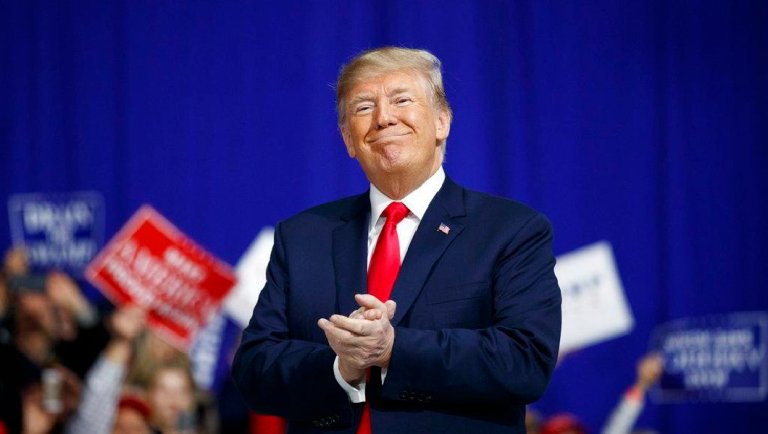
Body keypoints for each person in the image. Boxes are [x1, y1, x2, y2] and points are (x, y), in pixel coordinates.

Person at [232, 46, 562, 434]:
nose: (384, 118)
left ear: (442, 121)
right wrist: (342, 367)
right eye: (363, 107)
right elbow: (254, 369)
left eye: (401, 100)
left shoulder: (511, 229)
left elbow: (525, 363)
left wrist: (393, 350)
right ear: (348, 140)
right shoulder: (302, 235)